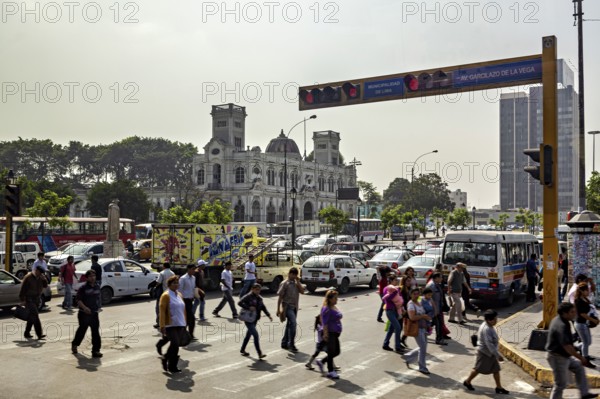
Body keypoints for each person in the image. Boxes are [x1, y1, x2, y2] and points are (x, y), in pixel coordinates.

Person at [546, 302, 598, 399]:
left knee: (578, 367)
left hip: (564, 356)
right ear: (564, 313)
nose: (575, 314)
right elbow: (567, 347)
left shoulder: (563, 320)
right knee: (560, 384)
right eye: (572, 312)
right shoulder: (562, 325)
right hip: (557, 357)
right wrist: (581, 357)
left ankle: (584, 393)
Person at [463, 309, 509, 394]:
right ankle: (467, 381)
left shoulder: (487, 325)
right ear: (488, 320)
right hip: (484, 353)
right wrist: (497, 355)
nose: (496, 321)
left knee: (496, 370)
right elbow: (489, 344)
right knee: (477, 369)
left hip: (490, 353)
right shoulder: (486, 329)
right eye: (494, 319)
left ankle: (499, 387)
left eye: (496, 319)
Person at [159, 276, 187, 373]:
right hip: (169, 324)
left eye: (177, 283)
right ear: (169, 284)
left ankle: (168, 361)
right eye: (174, 283)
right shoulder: (165, 295)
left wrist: (185, 322)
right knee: (175, 343)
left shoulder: (179, 295)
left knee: (176, 345)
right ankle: (171, 364)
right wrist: (162, 325)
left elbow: (183, 310)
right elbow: (162, 311)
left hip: (180, 323)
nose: (176, 285)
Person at [71, 270, 102, 357]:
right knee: (82, 330)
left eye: (94, 276)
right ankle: (75, 344)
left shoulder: (97, 287)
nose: (93, 278)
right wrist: (84, 308)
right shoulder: (83, 288)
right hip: (83, 314)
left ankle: (96, 351)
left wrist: (99, 307)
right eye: (91, 276)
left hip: (94, 313)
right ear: (87, 278)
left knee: (95, 332)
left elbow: (98, 298)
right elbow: (78, 300)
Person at [402, 287, 432, 374]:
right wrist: (423, 316)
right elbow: (412, 317)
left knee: (423, 346)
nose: (416, 295)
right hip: (416, 328)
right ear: (410, 295)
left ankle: (409, 357)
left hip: (423, 327)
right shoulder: (411, 304)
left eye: (417, 293)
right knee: (423, 347)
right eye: (414, 294)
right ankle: (422, 367)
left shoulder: (419, 303)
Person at [238, 283, 272, 358]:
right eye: (256, 290)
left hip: (255, 319)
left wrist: (268, 315)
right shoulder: (248, 296)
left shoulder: (259, 298)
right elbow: (239, 303)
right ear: (252, 289)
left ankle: (242, 349)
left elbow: (263, 307)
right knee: (255, 335)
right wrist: (248, 307)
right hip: (248, 319)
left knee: (248, 335)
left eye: (259, 290)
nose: (258, 291)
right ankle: (259, 353)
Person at [316, 289, 343, 380]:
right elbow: (325, 323)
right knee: (331, 352)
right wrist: (326, 334)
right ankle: (331, 371)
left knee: (337, 351)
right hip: (330, 333)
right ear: (330, 299)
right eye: (335, 298)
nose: (337, 300)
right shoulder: (326, 309)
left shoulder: (333, 307)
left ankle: (322, 361)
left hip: (335, 333)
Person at [277, 267, 305, 352]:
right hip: (287, 307)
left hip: (295, 307)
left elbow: (302, 291)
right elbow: (280, 297)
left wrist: (298, 281)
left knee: (289, 325)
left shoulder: (296, 283)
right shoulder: (285, 283)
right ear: (289, 274)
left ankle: (284, 342)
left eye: (296, 275)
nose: (294, 276)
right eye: (293, 274)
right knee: (293, 323)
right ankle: (291, 344)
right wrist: (278, 309)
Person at [19, 266, 48, 340]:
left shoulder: (40, 278)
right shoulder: (28, 277)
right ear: (36, 271)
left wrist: (44, 279)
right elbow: (23, 289)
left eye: (42, 273)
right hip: (29, 299)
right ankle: (39, 334)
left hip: (37, 300)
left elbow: (45, 286)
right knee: (35, 315)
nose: (41, 274)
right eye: (40, 273)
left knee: (32, 317)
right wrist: (23, 300)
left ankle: (26, 333)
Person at [574, 283, 599, 367]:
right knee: (585, 342)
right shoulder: (578, 301)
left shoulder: (585, 299)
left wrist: (595, 318)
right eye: (587, 290)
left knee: (588, 342)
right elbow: (582, 314)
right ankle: (585, 360)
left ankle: (576, 348)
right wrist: (593, 320)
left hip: (585, 324)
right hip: (580, 324)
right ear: (581, 291)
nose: (588, 292)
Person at [382, 275, 405, 352]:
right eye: (395, 280)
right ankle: (397, 346)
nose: (397, 281)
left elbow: (400, 298)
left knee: (391, 329)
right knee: (398, 328)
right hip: (390, 310)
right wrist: (395, 293)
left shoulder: (396, 289)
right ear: (391, 281)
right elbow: (387, 298)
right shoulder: (387, 288)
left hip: (396, 310)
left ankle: (385, 344)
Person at [426, 273, 447, 346]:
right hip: (433, 309)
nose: (441, 279)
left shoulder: (436, 284)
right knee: (438, 324)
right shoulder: (431, 285)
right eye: (440, 277)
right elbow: (428, 298)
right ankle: (439, 339)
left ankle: (424, 331)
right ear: (436, 278)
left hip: (438, 308)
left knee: (436, 323)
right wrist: (433, 309)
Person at [178, 264, 197, 340]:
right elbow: (179, 290)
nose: (193, 271)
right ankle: (185, 335)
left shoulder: (193, 278)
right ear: (188, 269)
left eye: (194, 269)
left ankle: (190, 334)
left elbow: (193, 288)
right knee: (188, 318)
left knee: (190, 319)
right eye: (192, 269)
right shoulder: (183, 278)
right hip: (184, 301)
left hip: (190, 300)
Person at [154, 262, 174, 329]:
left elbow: (158, 282)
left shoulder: (162, 273)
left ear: (164, 266)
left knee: (159, 308)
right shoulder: (172, 273)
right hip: (171, 293)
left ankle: (159, 322)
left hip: (163, 294)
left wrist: (154, 286)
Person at [399, 275, 414, 348]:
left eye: (410, 280)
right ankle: (399, 341)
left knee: (409, 326)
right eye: (408, 281)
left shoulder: (409, 289)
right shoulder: (402, 289)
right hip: (403, 310)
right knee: (401, 327)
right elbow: (400, 301)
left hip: (408, 309)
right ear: (404, 281)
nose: (409, 282)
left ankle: (402, 339)